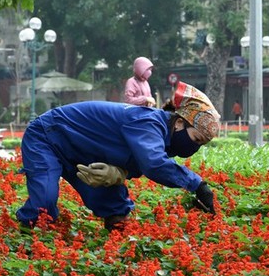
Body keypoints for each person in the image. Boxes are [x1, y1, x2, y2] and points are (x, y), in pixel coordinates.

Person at [16, 81, 220, 231]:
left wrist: (120, 172)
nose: (194, 147)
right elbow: (154, 164)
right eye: (196, 139)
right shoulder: (149, 124)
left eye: (201, 144)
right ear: (179, 123)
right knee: (43, 205)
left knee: (116, 208)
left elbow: (135, 160)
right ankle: (25, 239)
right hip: (48, 136)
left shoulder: (166, 138)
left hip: (83, 152)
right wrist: (197, 184)